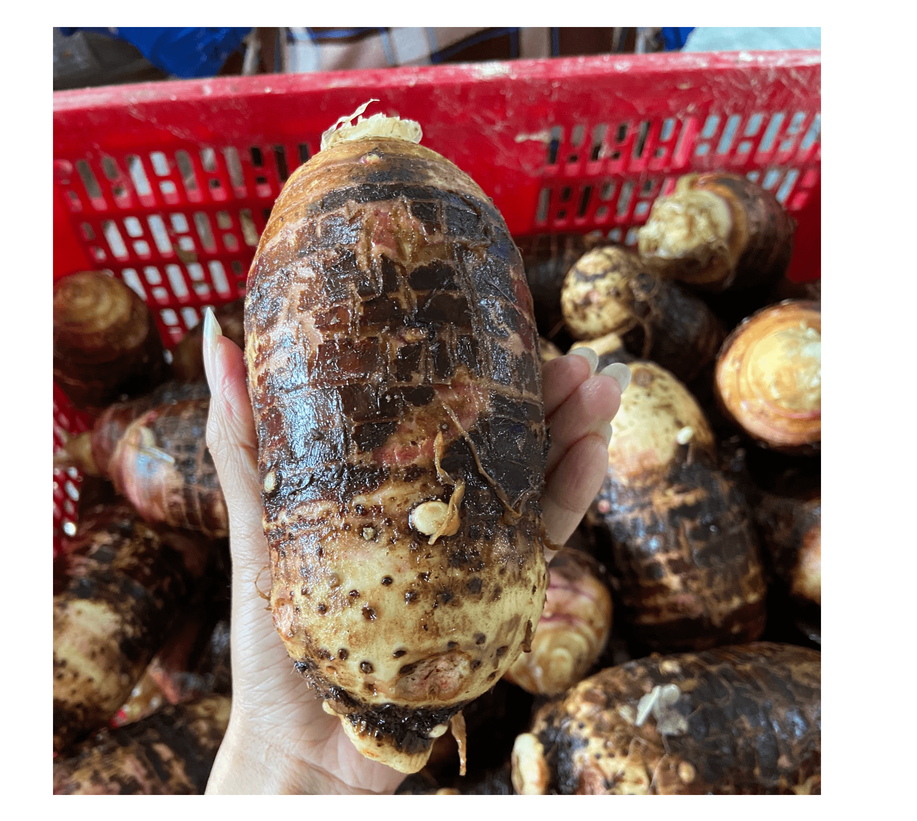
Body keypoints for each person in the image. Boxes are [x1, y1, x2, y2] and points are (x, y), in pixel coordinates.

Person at [201, 308, 627, 794]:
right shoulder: (470, 647)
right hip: (483, 602)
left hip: (468, 608)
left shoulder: (338, 638)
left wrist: (276, 756)